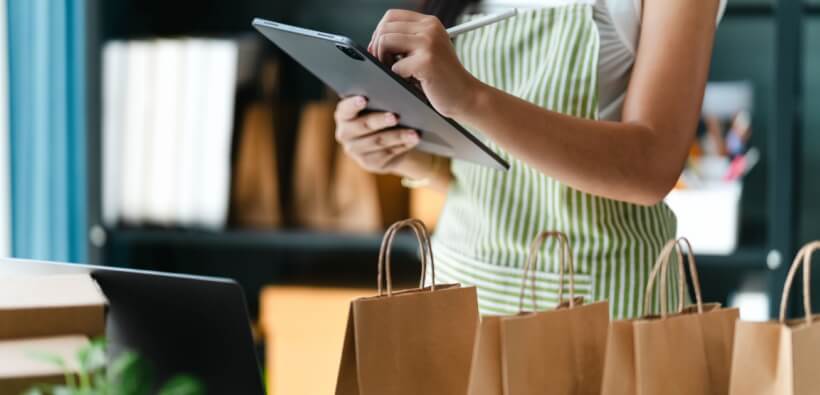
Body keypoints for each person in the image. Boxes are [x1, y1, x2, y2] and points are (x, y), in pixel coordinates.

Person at [334, 0, 727, 318]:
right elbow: (480, 175)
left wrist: (470, 98)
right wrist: (396, 153)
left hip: (598, 303)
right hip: (462, 282)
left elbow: (652, 168)